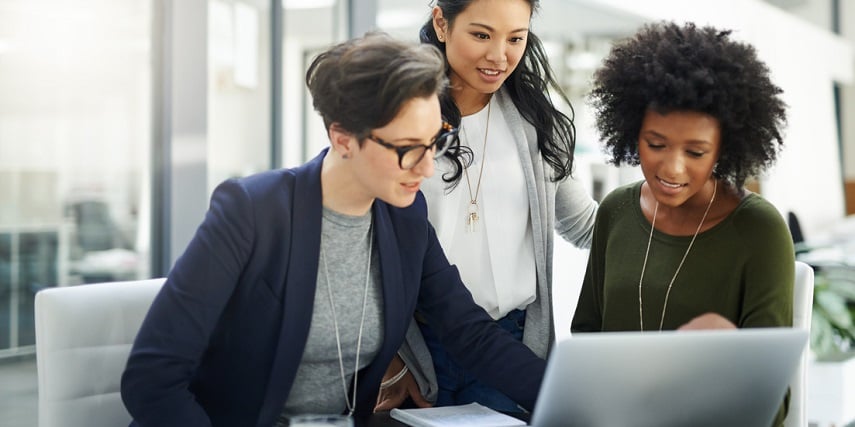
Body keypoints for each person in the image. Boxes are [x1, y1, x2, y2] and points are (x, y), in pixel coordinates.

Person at [120, 32, 546, 427]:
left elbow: (467, 332)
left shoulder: (405, 216)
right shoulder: (252, 211)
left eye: (435, 142)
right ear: (342, 139)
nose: (428, 166)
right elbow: (152, 378)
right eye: (408, 149)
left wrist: (569, 393)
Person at [375, 0, 598, 414]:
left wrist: (681, 219)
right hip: (417, 351)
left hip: (510, 348)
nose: (500, 56)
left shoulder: (538, 124)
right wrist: (389, 361)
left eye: (516, 38)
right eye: (481, 35)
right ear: (442, 22)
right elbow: (364, 248)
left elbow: (587, 227)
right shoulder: (400, 122)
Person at [570, 21, 794, 426]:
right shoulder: (615, 211)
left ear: (725, 149)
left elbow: (769, 401)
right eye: (655, 144)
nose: (671, 168)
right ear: (631, 131)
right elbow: (586, 340)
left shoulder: (759, 231)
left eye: (696, 151)